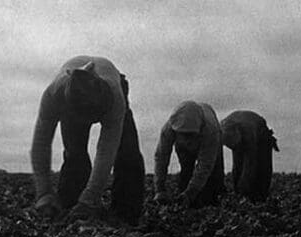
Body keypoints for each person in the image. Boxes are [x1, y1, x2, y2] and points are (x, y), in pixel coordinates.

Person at [30, 55, 145, 225]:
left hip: (113, 86)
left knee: (128, 153)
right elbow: (41, 143)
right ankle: (69, 208)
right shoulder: (53, 95)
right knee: (75, 154)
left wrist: (90, 197)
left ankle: (125, 214)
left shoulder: (114, 98)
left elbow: (107, 149)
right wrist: (44, 193)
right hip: (71, 100)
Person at [154, 101, 225, 207]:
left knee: (214, 175)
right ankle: (184, 200)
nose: (188, 141)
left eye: (190, 135)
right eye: (183, 135)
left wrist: (191, 192)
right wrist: (159, 189)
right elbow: (161, 157)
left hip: (210, 137)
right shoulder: (168, 129)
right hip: (183, 146)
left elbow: (205, 164)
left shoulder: (211, 131)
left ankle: (212, 202)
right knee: (186, 170)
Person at [221, 110, 279, 201]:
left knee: (263, 168)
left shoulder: (249, 132)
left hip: (261, 134)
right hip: (239, 132)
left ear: (238, 133)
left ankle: (261, 197)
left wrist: (243, 188)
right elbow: (236, 166)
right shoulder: (220, 130)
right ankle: (239, 193)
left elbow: (250, 163)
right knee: (238, 166)